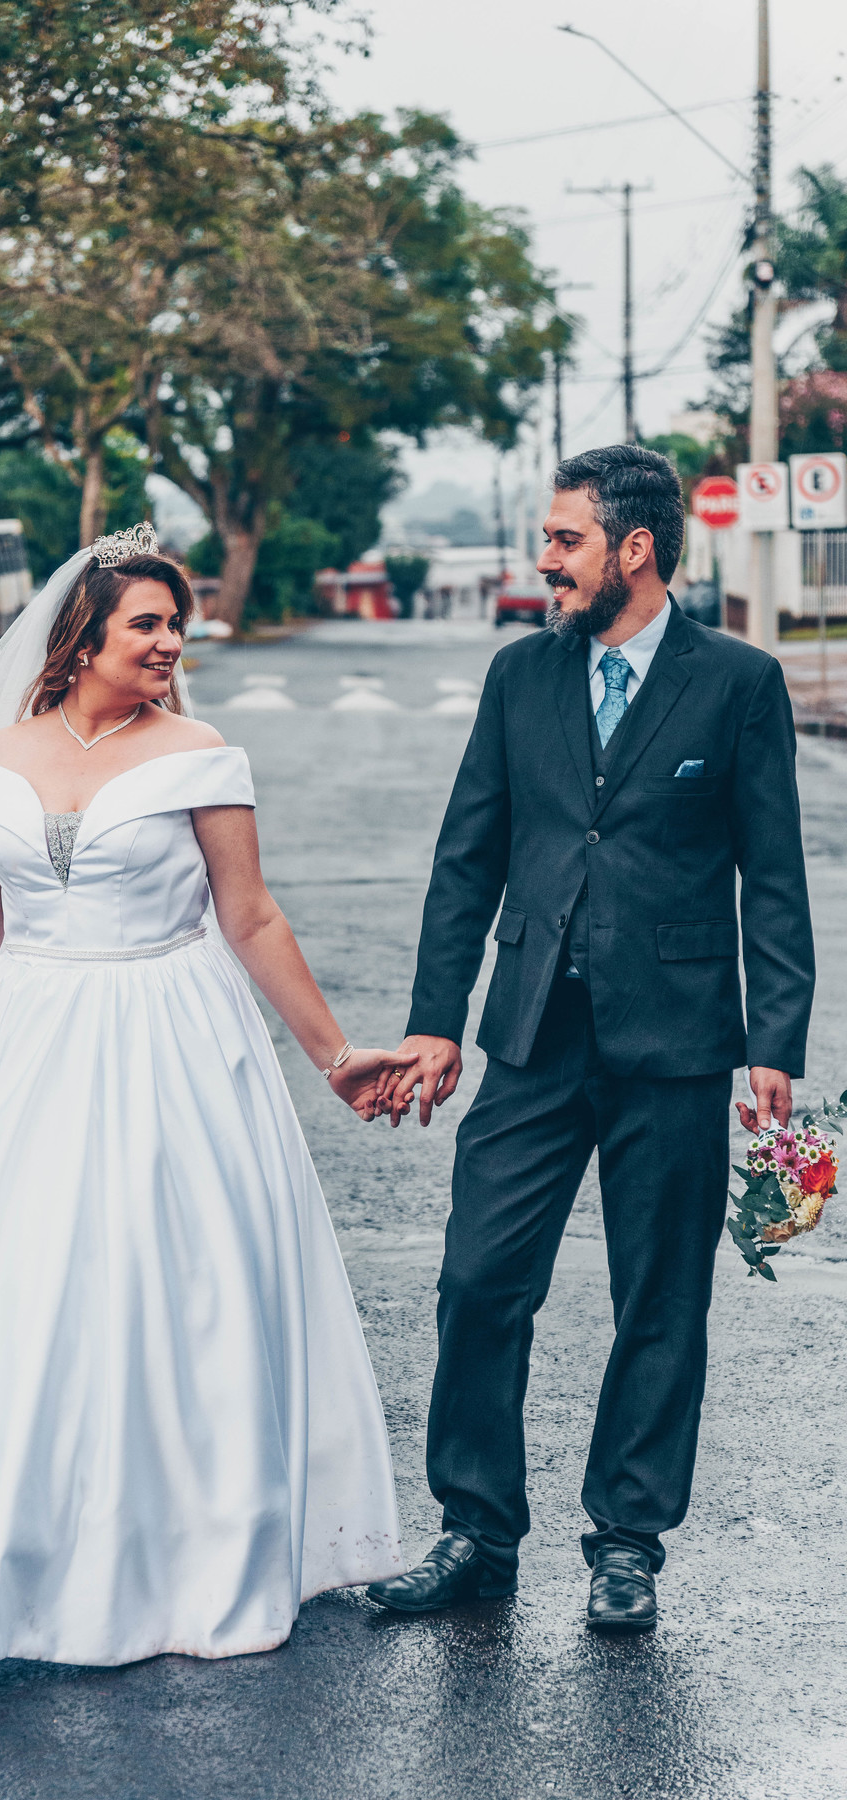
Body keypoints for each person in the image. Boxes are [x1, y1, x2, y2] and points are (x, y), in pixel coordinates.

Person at [0, 525, 409, 1666]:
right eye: (149, 623)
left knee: (171, 1288)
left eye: (178, 625)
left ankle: (183, 1560)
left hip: (171, 1038)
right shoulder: (0, 755)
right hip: (25, 1043)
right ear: (82, 636)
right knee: (20, 1290)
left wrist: (334, 1058)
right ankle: (4, 1554)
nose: (171, 643)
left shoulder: (200, 753)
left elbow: (252, 918)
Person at [367, 445, 815, 1632]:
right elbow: (469, 857)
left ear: (635, 549)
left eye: (564, 540)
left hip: (675, 1041)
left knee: (660, 1301)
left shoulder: (738, 684)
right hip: (529, 1035)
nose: (545, 561)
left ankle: (627, 1542)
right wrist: (435, 1022)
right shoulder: (520, 676)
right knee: (477, 1280)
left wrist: (777, 1037)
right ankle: (477, 1531)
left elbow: (773, 875)